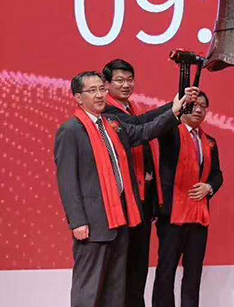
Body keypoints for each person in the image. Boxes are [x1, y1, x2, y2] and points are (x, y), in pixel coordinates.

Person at [54, 71, 192, 307]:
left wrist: (174, 111)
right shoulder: (71, 130)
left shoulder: (113, 124)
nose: (100, 95)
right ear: (78, 97)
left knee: (116, 289)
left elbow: (144, 132)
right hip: (93, 223)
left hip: (121, 219)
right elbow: (67, 180)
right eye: (92, 90)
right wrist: (77, 221)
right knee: (89, 289)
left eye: (102, 89)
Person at [102, 58, 172, 307]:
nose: (126, 85)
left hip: (142, 201)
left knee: (138, 266)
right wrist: (174, 108)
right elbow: (141, 128)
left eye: (130, 80)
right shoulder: (107, 113)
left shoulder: (131, 108)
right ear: (106, 84)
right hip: (123, 204)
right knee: (124, 268)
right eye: (119, 80)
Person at [152, 92, 223, 307]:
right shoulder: (170, 133)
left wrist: (209, 187)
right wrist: (177, 103)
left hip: (199, 216)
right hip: (172, 215)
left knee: (193, 273)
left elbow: (217, 173)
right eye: (194, 105)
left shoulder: (209, 142)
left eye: (203, 106)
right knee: (166, 271)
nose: (199, 110)